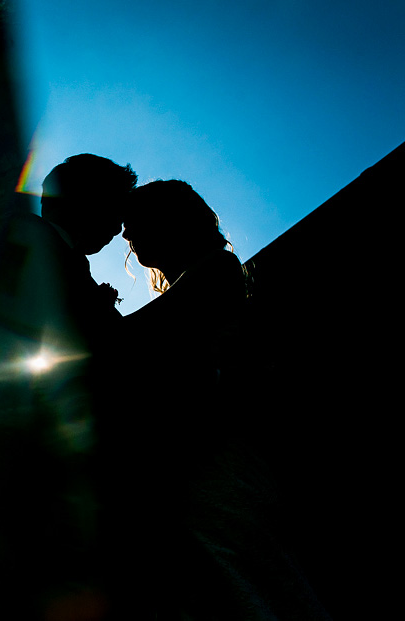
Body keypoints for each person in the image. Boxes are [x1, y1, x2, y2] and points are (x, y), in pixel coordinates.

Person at [104, 180, 328, 619]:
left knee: (256, 586)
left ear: (172, 221)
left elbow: (135, 337)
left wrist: (92, 312)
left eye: (137, 222)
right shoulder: (195, 279)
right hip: (204, 458)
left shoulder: (217, 269)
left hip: (221, 457)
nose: (126, 234)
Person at [0, 153, 137, 615]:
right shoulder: (30, 242)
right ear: (87, 201)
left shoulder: (54, 251)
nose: (119, 229)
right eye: (115, 211)